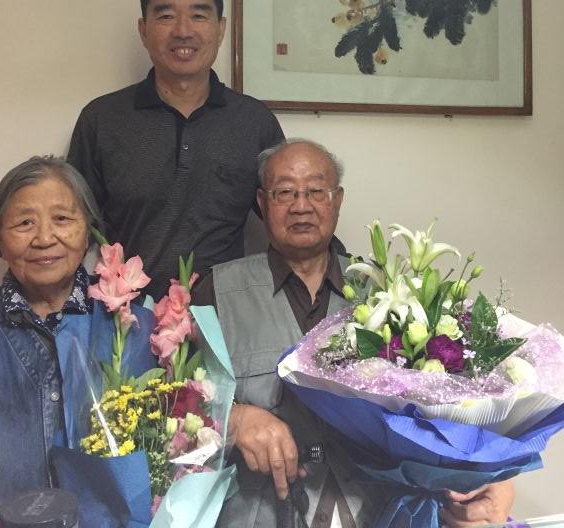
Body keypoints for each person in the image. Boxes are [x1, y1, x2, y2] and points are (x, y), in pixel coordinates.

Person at [192, 139, 515, 528]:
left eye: (316, 191)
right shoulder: (215, 293)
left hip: (378, 513)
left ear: (338, 200)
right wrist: (234, 419)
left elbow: (442, 404)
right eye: (285, 192)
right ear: (262, 203)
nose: (301, 205)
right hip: (257, 513)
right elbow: (173, 408)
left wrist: (488, 475)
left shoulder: (387, 291)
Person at [68, 0, 284, 300]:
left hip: (225, 316)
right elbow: (71, 228)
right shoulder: (102, 119)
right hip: (126, 318)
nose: (183, 31)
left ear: (221, 28)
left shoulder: (254, 121)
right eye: (166, 16)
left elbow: (291, 216)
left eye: (198, 16)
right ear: (143, 29)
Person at [0, 156, 154, 501]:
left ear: (88, 231)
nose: (44, 238)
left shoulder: (134, 325)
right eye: (24, 223)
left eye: (62, 219)